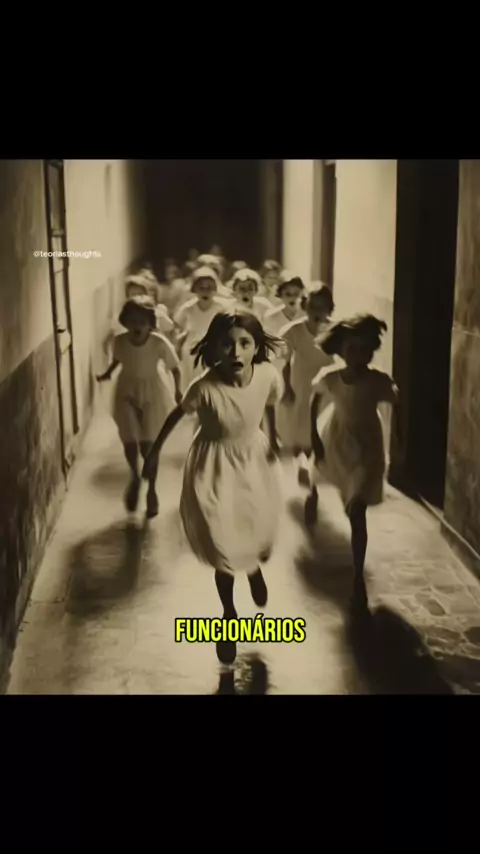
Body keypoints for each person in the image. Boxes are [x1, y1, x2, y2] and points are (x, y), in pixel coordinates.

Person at [142, 310, 284, 664]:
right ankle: (228, 614)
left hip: (253, 459)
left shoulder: (267, 375)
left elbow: (269, 402)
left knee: (253, 524)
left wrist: (274, 434)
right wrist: (155, 453)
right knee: (220, 538)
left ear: (256, 347)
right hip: (213, 464)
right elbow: (177, 414)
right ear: (215, 348)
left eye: (245, 344)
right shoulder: (204, 387)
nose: (236, 352)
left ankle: (253, 568)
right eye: (227, 344)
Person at [308, 314, 402, 609]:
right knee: (322, 473)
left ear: (372, 351)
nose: (358, 357)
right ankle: (312, 492)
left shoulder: (378, 380)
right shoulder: (331, 377)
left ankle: (357, 577)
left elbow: (396, 405)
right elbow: (315, 400)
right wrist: (313, 434)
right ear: (340, 350)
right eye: (351, 350)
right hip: (336, 439)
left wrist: (399, 437)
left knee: (357, 510)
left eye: (365, 350)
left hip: (366, 449)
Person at [96, 295, 182, 518]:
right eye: (132, 321)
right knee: (129, 437)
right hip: (126, 390)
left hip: (153, 391)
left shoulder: (158, 343)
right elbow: (117, 361)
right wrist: (107, 374)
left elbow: (175, 368)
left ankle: (152, 489)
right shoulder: (119, 341)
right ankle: (135, 475)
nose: (137, 326)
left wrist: (179, 391)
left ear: (150, 324)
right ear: (125, 322)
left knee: (149, 446)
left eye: (142, 322)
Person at [277, 285, 335, 474]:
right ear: (304, 307)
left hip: (326, 385)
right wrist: (286, 387)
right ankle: (301, 465)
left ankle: (315, 470)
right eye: (313, 307)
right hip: (301, 384)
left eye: (322, 307)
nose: (317, 312)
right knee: (301, 429)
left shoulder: (335, 330)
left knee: (323, 426)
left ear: (329, 308)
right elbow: (285, 362)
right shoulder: (294, 330)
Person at [173, 266, 231, 387]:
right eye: (201, 288)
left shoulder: (222, 306)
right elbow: (177, 325)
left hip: (214, 347)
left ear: (215, 288)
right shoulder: (188, 308)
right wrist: (179, 342)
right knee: (192, 381)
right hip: (192, 350)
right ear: (194, 289)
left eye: (209, 287)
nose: (205, 291)